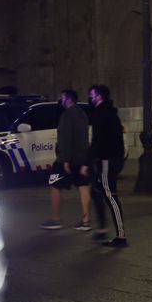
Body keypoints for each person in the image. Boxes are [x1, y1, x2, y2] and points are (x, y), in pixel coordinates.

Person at [43, 89, 92, 231]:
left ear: (68, 99)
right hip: (82, 157)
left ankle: (56, 219)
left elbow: (66, 138)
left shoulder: (67, 115)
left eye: (62, 97)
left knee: (54, 185)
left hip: (67, 158)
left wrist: (65, 159)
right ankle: (86, 221)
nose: (60, 99)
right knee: (83, 187)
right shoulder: (82, 114)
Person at [86, 83, 128, 247]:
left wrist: (89, 161)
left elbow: (98, 141)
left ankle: (121, 236)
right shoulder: (110, 114)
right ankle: (103, 229)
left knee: (110, 195)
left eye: (92, 94)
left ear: (99, 96)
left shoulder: (101, 114)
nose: (90, 97)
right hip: (111, 159)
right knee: (97, 191)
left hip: (107, 160)